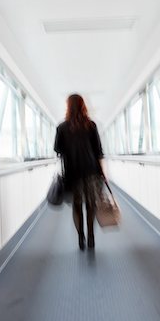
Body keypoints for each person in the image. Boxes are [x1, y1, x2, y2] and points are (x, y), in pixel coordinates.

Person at [54, 94, 104, 250]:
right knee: (91, 205)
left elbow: (57, 149)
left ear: (68, 107)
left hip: (72, 173)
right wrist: (104, 173)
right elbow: (98, 152)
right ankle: (91, 237)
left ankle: (80, 237)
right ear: (83, 106)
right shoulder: (91, 125)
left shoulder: (61, 128)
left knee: (77, 206)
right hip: (92, 172)